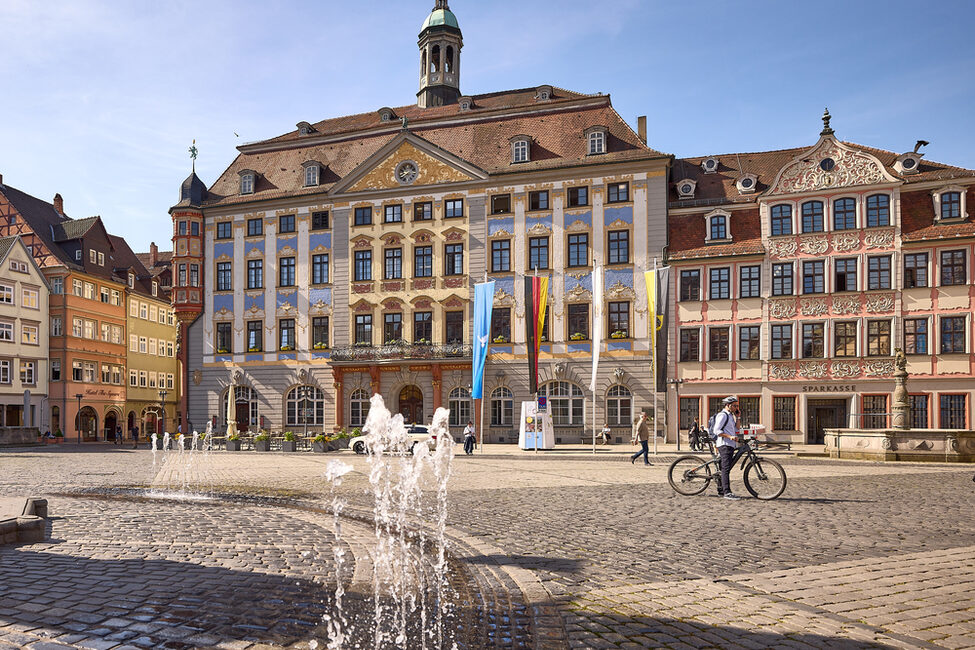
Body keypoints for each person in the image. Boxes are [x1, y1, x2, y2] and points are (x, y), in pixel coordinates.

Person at [712, 396, 742, 500]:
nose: (736, 408)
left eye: (737, 406)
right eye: (734, 406)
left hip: (730, 444)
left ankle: (721, 489)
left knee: (724, 468)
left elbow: (737, 429)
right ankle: (727, 492)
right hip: (724, 444)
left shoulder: (730, 416)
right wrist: (730, 437)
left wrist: (738, 417)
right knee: (726, 469)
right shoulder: (723, 415)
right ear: (728, 405)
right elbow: (717, 430)